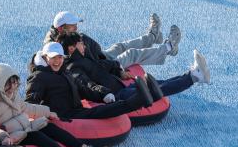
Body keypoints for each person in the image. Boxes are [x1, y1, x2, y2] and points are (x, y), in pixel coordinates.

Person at [0, 62, 109, 147]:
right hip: (7, 137)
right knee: (36, 135)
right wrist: (2, 136)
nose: (13, 87)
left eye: (14, 83)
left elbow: (26, 107)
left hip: (22, 127)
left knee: (47, 125)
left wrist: (48, 112)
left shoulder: (11, 94)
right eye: (9, 84)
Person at [57, 32, 210, 104]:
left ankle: (193, 74)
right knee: (155, 88)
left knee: (156, 82)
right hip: (116, 95)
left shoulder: (83, 59)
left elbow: (104, 66)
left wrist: (119, 71)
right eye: (80, 44)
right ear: (71, 48)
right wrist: (105, 94)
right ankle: (194, 77)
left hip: (118, 86)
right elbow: (86, 84)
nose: (84, 45)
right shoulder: (73, 67)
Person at [25, 42, 154, 120]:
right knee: (103, 111)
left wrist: (104, 94)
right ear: (45, 58)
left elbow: (85, 87)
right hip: (63, 116)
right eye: (53, 58)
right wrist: (47, 115)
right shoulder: (38, 77)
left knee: (106, 107)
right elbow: (30, 103)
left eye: (60, 57)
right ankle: (139, 100)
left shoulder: (64, 72)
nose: (57, 61)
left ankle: (145, 96)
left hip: (76, 110)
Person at [44, 11, 181, 69]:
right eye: (73, 25)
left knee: (120, 46)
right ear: (62, 28)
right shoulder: (55, 49)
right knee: (131, 54)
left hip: (99, 57)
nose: (76, 27)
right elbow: (77, 65)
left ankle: (152, 36)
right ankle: (169, 47)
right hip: (99, 68)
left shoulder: (66, 35)